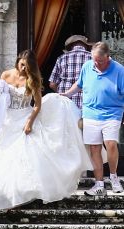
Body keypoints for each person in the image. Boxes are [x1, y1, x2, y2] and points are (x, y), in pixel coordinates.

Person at [0, 50, 93, 211]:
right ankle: (6, 194)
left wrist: (30, 122)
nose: (23, 68)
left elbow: (37, 105)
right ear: (18, 61)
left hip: (24, 118)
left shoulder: (33, 80)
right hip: (7, 121)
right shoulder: (6, 75)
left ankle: (23, 194)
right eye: (22, 64)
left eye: (27, 65)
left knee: (25, 156)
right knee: (2, 156)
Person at [61, 42, 124, 196]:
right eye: (94, 60)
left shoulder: (119, 70)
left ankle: (114, 178)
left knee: (110, 144)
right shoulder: (87, 66)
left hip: (112, 113)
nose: (96, 63)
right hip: (90, 113)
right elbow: (80, 84)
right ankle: (99, 184)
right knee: (94, 148)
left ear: (108, 57)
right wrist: (68, 94)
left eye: (100, 61)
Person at [49, 35, 92, 110]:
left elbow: (52, 84)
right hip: (86, 102)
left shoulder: (61, 58)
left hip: (66, 103)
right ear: (85, 45)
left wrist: (61, 92)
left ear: (71, 46)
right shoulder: (92, 58)